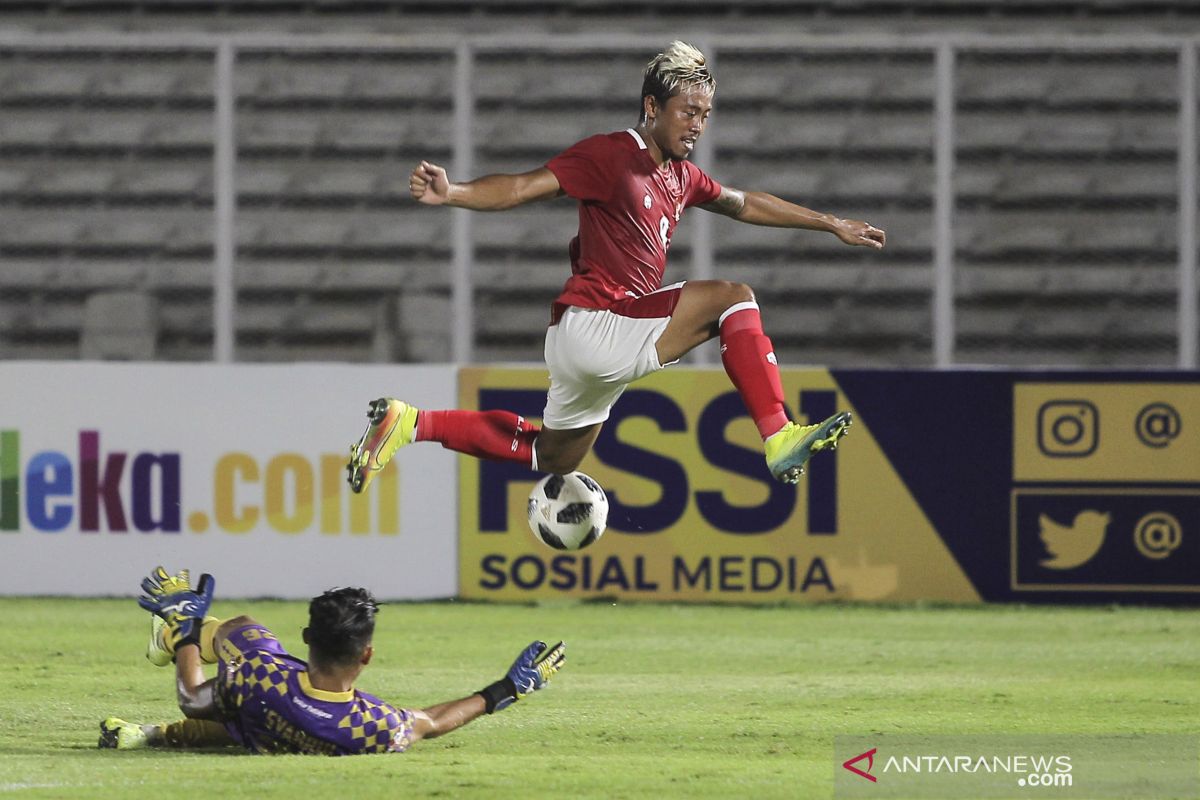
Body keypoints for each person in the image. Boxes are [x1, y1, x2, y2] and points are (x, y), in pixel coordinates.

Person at [347, 41, 886, 495]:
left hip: (583, 338)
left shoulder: (682, 175)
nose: (697, 125)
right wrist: (455, 193)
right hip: (599, 322)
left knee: (555, 457)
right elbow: (523, 186)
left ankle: (409, 422)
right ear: (651, 106)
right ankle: (778, 434)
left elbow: (744, 203)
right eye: (686, 112)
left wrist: (829, 221)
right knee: (733, 297)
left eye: (704, 115)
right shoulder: (611, 155)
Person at [99, 567, 564, 754]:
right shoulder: (373, 724)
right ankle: (151, 732)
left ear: (306, 638)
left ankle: (171, 629)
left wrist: (184, 634)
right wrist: (507, 689)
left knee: (244, 629)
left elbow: (191, 696)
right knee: (241, 710)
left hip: (256, 708)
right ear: (367, 654)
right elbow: (433, 722)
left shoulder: (263, 673)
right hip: (271, 729)